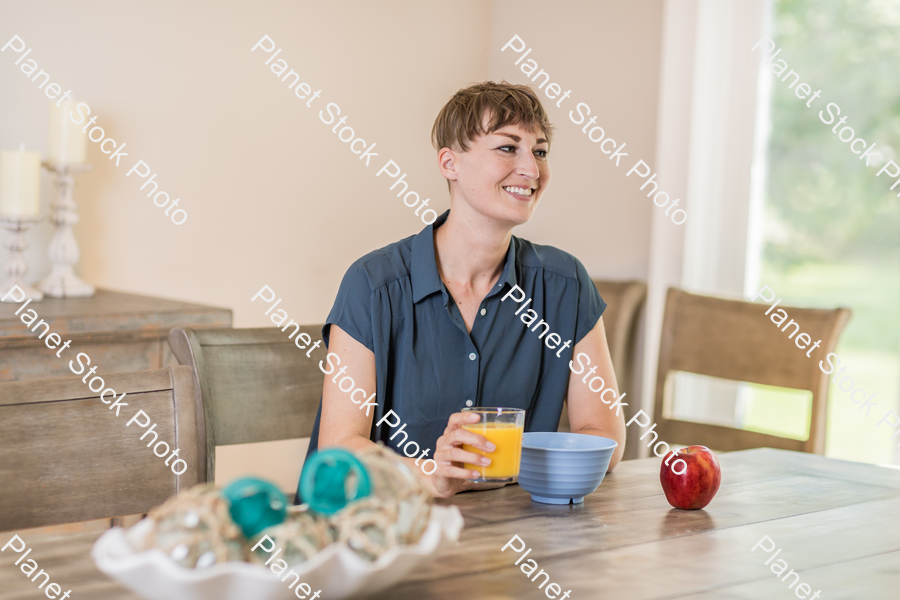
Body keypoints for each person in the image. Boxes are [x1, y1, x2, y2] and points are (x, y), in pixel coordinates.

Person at [302, 81, 626, 500]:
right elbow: (339, 450)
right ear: (449, 163)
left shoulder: (566, 285)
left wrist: (503, 463)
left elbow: (602, 437)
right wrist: (433, 475)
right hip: (377, 535)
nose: (532, 169)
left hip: (509, 538)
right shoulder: (373, 285)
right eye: (508, 148)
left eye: (540, 151)